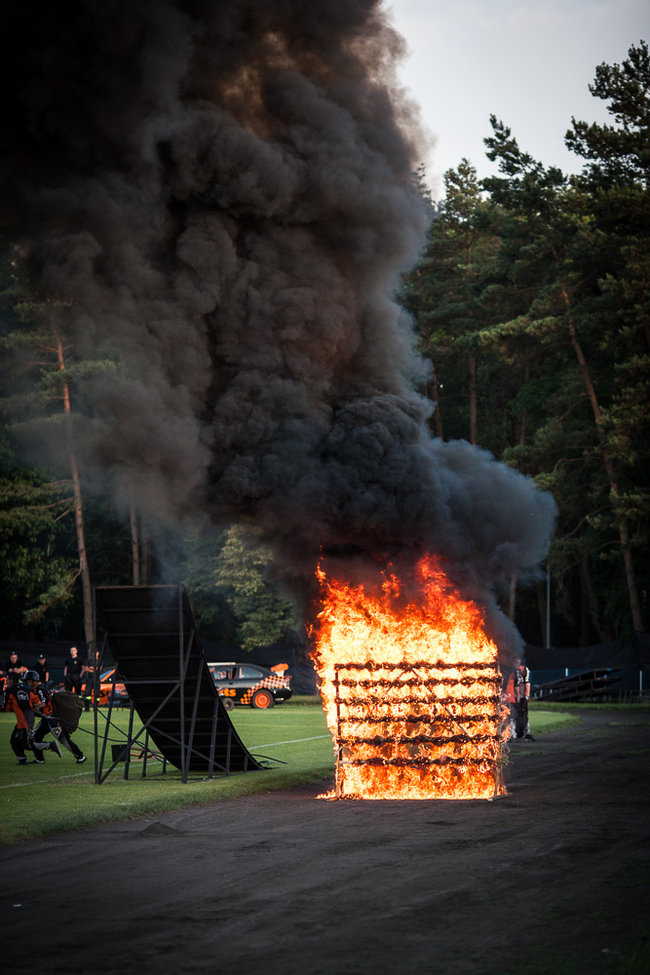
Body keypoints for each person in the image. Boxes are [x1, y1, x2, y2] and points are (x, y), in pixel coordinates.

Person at [25, 672, 85, 763]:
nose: (27, 683)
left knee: (63, 739)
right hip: (46, 719)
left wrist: (34, 707)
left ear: (34, 681)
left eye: (28, 681)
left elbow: (45, 701)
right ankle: (40, 759)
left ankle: (80, 756)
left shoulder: (39, 690)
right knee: (35, 737)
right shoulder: (35, 690)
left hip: (51, 719)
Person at [4, 672, 36, 765]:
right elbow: (35, 701)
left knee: (23, 743)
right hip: (29, 718)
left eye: (7, 679)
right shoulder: (26, 689)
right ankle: (22, 760)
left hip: (23, 721)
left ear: (11, 680)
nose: (7, 682)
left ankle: (48, 745)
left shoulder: (10, 690)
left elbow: (5, 707)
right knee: (17, 741)